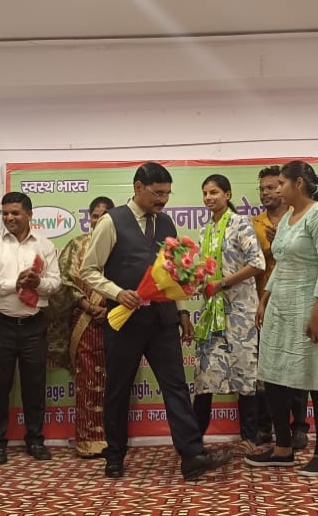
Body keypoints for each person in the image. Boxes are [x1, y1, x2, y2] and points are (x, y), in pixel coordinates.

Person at [80, 162, 232, 481]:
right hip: (125, 321)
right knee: (118, 388)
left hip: (162, 320)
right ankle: (115, 455)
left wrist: (182, 312)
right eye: (158, 193)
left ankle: (192, 455)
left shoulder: (166, 223)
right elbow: (88, 271)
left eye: (167, 194)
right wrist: (117, 292)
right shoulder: (111, 222)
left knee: (175, 386)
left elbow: (175, 273)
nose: (163, 200)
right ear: (138, 187)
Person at [244, 160, 318, 477]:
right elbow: (280, 263)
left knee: (317, 379)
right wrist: (264, 299)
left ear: (299, 184)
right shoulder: (289, 218)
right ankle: (282, 449)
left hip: (311, 306)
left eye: (281, 183)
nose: (277, 189)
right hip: (281, 307)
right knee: (274, 375)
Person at [0, 192, 61, 464]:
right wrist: (16, 284)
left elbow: (55, 282)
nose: (9, 218)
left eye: (15, 213)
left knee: (35, 385)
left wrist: (38, 283)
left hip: (34, 325)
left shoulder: (44, 245)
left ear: (29, 215)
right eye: (5, 213)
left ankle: (35, 440)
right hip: (1, 324)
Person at [193, 174, 265, 455]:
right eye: (205, 193)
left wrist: (222, 283)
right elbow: (202, 271)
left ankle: (249, 438)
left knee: (245, 377)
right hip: (213, 314)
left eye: (214, 192)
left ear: (228, 194)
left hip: (241, 312)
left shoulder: (240, 223)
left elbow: (257, 264)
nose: (209, 198)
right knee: (204, 377)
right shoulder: (205, 231)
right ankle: (194, 441)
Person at [46, 196, 116, 458]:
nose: (98, 221)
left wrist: (108, 309)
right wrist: (87, 305)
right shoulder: (76, 245)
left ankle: (114, 439)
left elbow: (129, 281)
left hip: (115, 319)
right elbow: (64, 281)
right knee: (87, 381)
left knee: (115, 381)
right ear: (89, 218)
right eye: (95, 216)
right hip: (84, 322)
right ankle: (88, 440)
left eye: (104, 217)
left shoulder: (121, 245)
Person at [251, 165, 310, 450]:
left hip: (297, 301)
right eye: (262, 189)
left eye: (272, 187)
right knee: (266, 371)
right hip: (262, 304)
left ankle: (299, 427)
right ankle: (266, 427)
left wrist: (286, 241)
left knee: (296, 366)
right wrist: (273, 247)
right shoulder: (253, 224)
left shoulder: (301, 218)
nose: (266, 193)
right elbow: (251, 262)